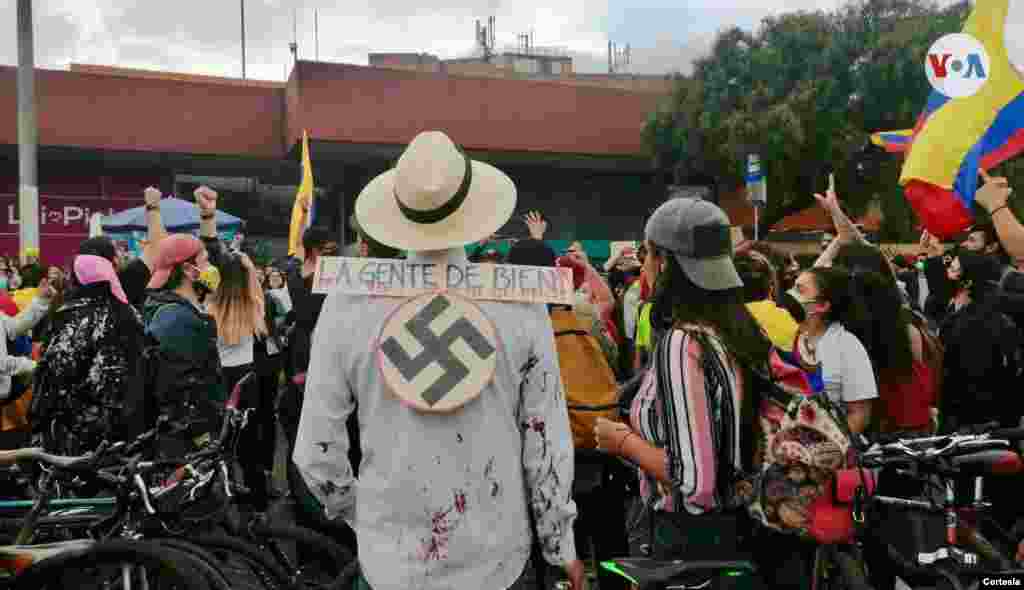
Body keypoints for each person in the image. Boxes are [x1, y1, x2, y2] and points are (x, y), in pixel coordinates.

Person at [293, 130, 582, 590]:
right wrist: (559, 545)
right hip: (498, 561)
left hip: (391, 567)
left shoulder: (348, 304)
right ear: (473, 211)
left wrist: (367, 518)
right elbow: (545, 446)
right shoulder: (520, 303)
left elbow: (315, 455)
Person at [593, 197, 772, 585]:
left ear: (664, 262)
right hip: (737, 530)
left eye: (647, 254)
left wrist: (621, 441)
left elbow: (694, 481)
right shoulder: (738, 331)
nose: (643, 266)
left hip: (688, 544)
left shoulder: (684, 344)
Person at [31, 255, 146, 455]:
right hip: (126, 425)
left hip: (77, 429)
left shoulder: (71, 315)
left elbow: (56, 371)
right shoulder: (129, 313)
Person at [142, 233, 224, 455]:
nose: (211, 267)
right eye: (205, 261)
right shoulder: (177, 320)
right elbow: (183, 390)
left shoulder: (174, 311)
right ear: (188, 270)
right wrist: (202, 437)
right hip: (186, 444)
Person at [206, 252, 275, 510]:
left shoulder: (209, 307)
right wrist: (246, 265)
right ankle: (258, 508)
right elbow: (258, 291)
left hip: (219, 378)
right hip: (246, 379)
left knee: (220, 446)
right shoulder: (253, 306)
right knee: (250, 447)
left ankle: (224, 502)